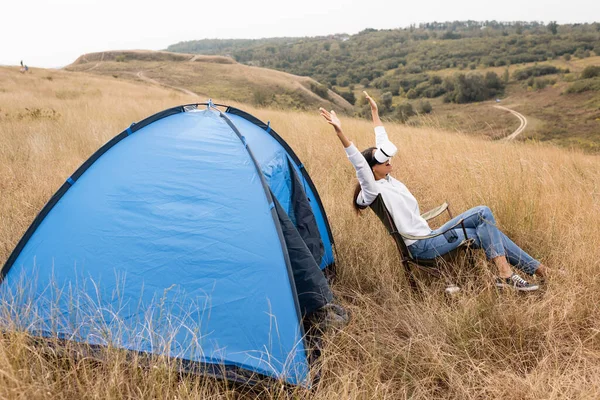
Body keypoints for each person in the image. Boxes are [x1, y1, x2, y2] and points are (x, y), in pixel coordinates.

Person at [319, 92, 549, 291]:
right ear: (372, 169)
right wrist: (340, 133)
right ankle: (515, 274)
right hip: (423, 246)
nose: (388, 160)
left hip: (431, 234)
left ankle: (528, 271)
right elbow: (360, 164)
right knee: (484, 230)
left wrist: (375, 113)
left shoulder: (388, 180)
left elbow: (382, 142)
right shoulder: (372, 190)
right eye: (382, 160)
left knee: (483, 214)